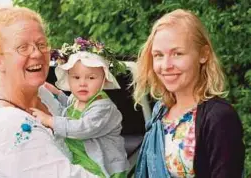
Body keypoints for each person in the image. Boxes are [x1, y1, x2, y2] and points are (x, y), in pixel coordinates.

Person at [0, 7, 100, 178]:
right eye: (23, 47)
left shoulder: (43, 93)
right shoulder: (8, 127)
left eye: (41, 44)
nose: (37, 53)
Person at [132, 9, 245, 178]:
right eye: (158, 55)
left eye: (177, 54)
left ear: (203, 54)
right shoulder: (159, 112)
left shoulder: (219, 117)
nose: (166, 65)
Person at [30, 37, 130, 178]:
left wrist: (50, 121)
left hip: (103, 166)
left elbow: (82, 128)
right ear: (68, 78)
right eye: (76, 78)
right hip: (82, 159)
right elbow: (69, 108)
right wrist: (58, 94)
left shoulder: (103, 107)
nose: (82, 83)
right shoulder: (76, 98)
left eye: (91, 78)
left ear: (104, 80)